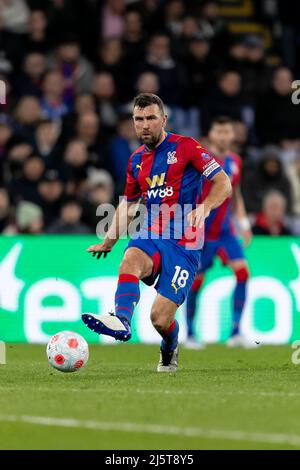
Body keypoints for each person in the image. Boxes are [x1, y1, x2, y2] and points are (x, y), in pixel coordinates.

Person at [82, 93, 232, 372]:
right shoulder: (136, 161)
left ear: (163, 119)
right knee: (130, 260)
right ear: (133, 123)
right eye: (139, 119)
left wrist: (206, 207)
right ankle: (122, 320)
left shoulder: (186, 147)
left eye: (151, 118)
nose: (145, 125)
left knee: (160, 319)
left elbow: (223, 182)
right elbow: (128, 206)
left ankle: (169, 346)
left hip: (186, 242)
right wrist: (109, 241)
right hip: (152, 231)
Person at [185, 116, 253, 349]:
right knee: (195, 282)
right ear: (210, 135)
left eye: (227, 131)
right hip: (201, 232)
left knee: (243, 273)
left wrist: (243, 224)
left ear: (232, 135)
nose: (224, 136)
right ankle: (191, 335)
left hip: (225, 231)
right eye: (219, 131)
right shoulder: (201, 160)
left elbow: (237, 194)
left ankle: (235, 333)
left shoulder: (235, 161)